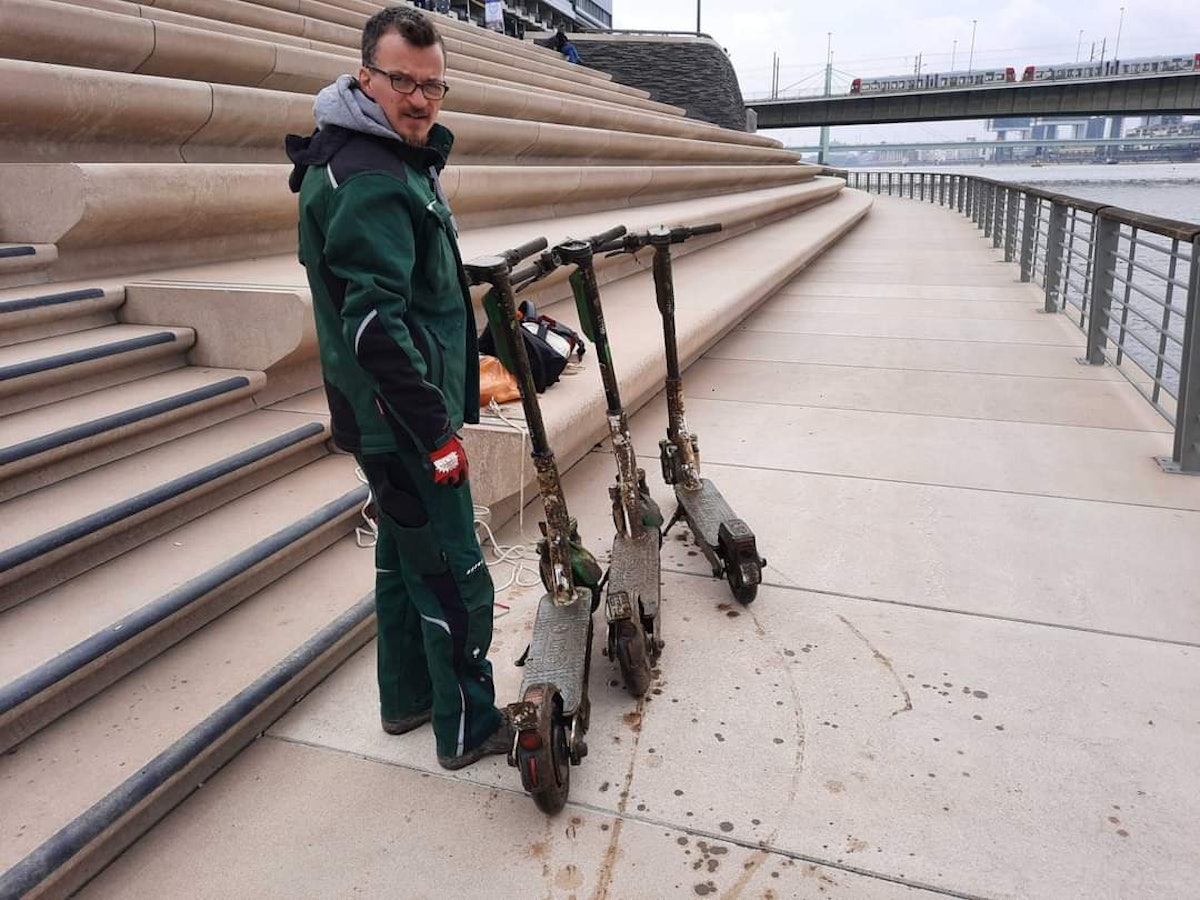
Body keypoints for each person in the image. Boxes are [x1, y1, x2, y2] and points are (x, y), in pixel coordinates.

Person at [285, 6, 511, 771]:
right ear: (365, 79)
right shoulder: (373, 178)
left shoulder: (380, 157)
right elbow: (374, 327)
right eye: (402, 83)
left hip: (384, 416)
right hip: (404, 421)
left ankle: (408, 699)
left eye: (432, 86)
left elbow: (400, 294)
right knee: (454, 574)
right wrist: (436, 432)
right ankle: (468, 727)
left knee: (405, 561)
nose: (419, 100)